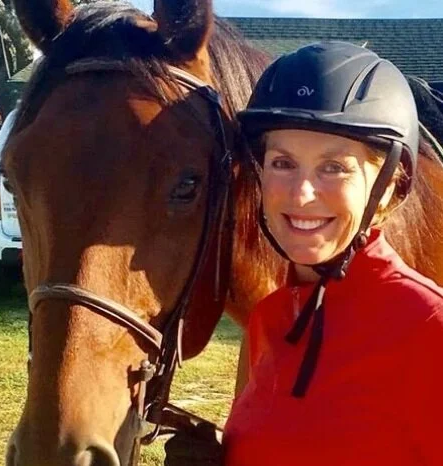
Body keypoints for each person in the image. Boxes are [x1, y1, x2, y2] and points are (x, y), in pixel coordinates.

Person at [164, 41, 443, 466]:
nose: (301, 193)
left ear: (389, 188)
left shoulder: (429, 328)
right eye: (283, 163)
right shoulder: (269, 319)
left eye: (334, 167)